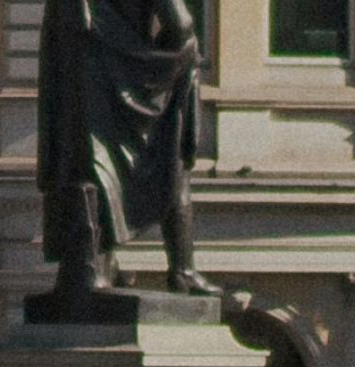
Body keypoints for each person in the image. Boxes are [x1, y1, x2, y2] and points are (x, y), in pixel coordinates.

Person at [39, 0, 220, 308]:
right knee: (169, 153)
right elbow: (181, 23)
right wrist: (162, 65)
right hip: (124, 74)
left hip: (83, 77)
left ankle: (95, 264)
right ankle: (182, 269)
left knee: (92, 165)